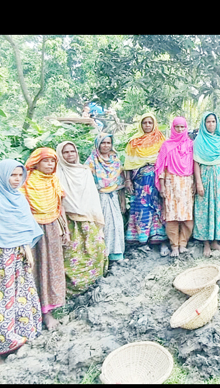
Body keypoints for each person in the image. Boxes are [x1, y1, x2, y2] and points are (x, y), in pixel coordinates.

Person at [0, 160, 44, 365]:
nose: (16, 180)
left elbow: (23, 229)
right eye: (11, 175)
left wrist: (27, 252)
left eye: (18, 175)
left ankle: (17, 343)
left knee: (19, 300)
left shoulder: (19, 200)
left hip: (17, 259)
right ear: (1, 176)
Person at [21, 147, 68, 331]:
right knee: (36, 269)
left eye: (52, 161)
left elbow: (59, 206)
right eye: (46, 161)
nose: (50, 165)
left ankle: (50, 309)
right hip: (32, 230)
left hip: (53, 227)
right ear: (36, 163)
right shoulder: (26, 183)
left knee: (52, 267)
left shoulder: (54, 181)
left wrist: (64, 228)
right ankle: (37, 313)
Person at [57, 141, 108, 294]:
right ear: (60, 154)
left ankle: (94, 283)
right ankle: (73, 290)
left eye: (72, 151)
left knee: (96, 247)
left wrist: (92, 214)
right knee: (72, 253)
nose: (70, 155)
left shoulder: (85, 171)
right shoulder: (57, 172)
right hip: (68, 219)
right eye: (65, 152)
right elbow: (60, 198)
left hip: (87, 217)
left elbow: (91, 195)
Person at [123, 113, 171, 255]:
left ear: (154, 124)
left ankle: (161, 240)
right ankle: (142, 240)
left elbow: (166, 161)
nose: (148, 125)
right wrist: (127, 180)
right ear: (141, 125)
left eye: (150, 122)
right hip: (140, 182)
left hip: (157, 181)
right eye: (145, 123)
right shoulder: (134, 142)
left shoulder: (161, 140)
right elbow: (128, 162)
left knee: (158, 208)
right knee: (142, 209)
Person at [156, 117, 196, 257]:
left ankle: (183, 243)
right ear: (173, 128)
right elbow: (160, 167)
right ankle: (174, 246)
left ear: (186, 128)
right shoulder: (166, 145)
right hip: (171, 183)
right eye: (177, 127)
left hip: (186, 184)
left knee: (187, 216)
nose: (179, 130)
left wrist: (196, 183)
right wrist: (161, 186)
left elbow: (195, 165)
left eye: (182, 127)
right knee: (172, 216)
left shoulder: (190, 145)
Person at [193, 113, 220, 257]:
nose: (211, 124)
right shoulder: (199, 141)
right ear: (204, 124)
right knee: (205, 209)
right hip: (205, 177)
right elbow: (196, 162)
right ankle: (206, 243)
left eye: (213, 121)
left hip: (219, 177)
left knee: (218, 208)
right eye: (208, 122)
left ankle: (216, 241)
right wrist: (199, 183)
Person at [86, 133, 126, 263]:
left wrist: (122, 201)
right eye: (103, 143)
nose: (106, 146)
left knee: (117, 224)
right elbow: (87, 182)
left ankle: (117, 253)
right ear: (98, 144)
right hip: (99, 197)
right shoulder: (92, 161)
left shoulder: (115, 160)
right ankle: (104, 256)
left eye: (108, 143)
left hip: (113, 196)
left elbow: (120, 182)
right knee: (104, 225)